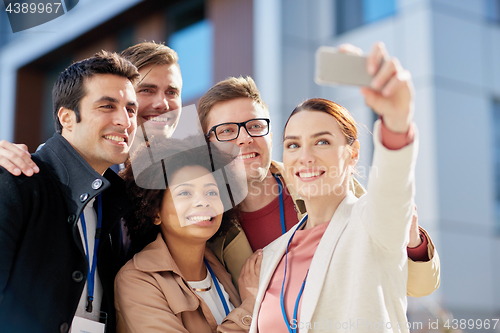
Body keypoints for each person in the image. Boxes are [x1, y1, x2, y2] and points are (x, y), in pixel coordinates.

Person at [197, 67, 439, 296]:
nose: (244, 139)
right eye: (226, 131)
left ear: (271, 136)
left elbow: (418, 286)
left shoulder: (326, 181)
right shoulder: (209, 226)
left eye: (255, 126)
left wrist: (412, 243)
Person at [251, 42, 418, 332]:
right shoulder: (273, 255)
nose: (305, 157)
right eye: (293, 145)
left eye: (322, 141)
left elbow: (393, 188)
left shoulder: (371, 223)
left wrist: (396, 121)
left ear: (352, 153)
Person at [0, 51, 139, 333]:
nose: (125, 121)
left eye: (131, 109)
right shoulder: (14, 181)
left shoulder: (117, 203)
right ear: (66, 117)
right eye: (107, 106)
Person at [115, 138, 260, 332]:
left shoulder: (220, 269)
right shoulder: (136, 280)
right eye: (184, 193)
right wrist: (251, 304)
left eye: (211, 192)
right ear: (155, 212)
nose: (202, 202)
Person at [0, 41, 182, 177]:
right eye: (147, 90)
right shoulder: (37, 170)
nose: (163, 104)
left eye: (172, 92)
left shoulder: (184, 171)